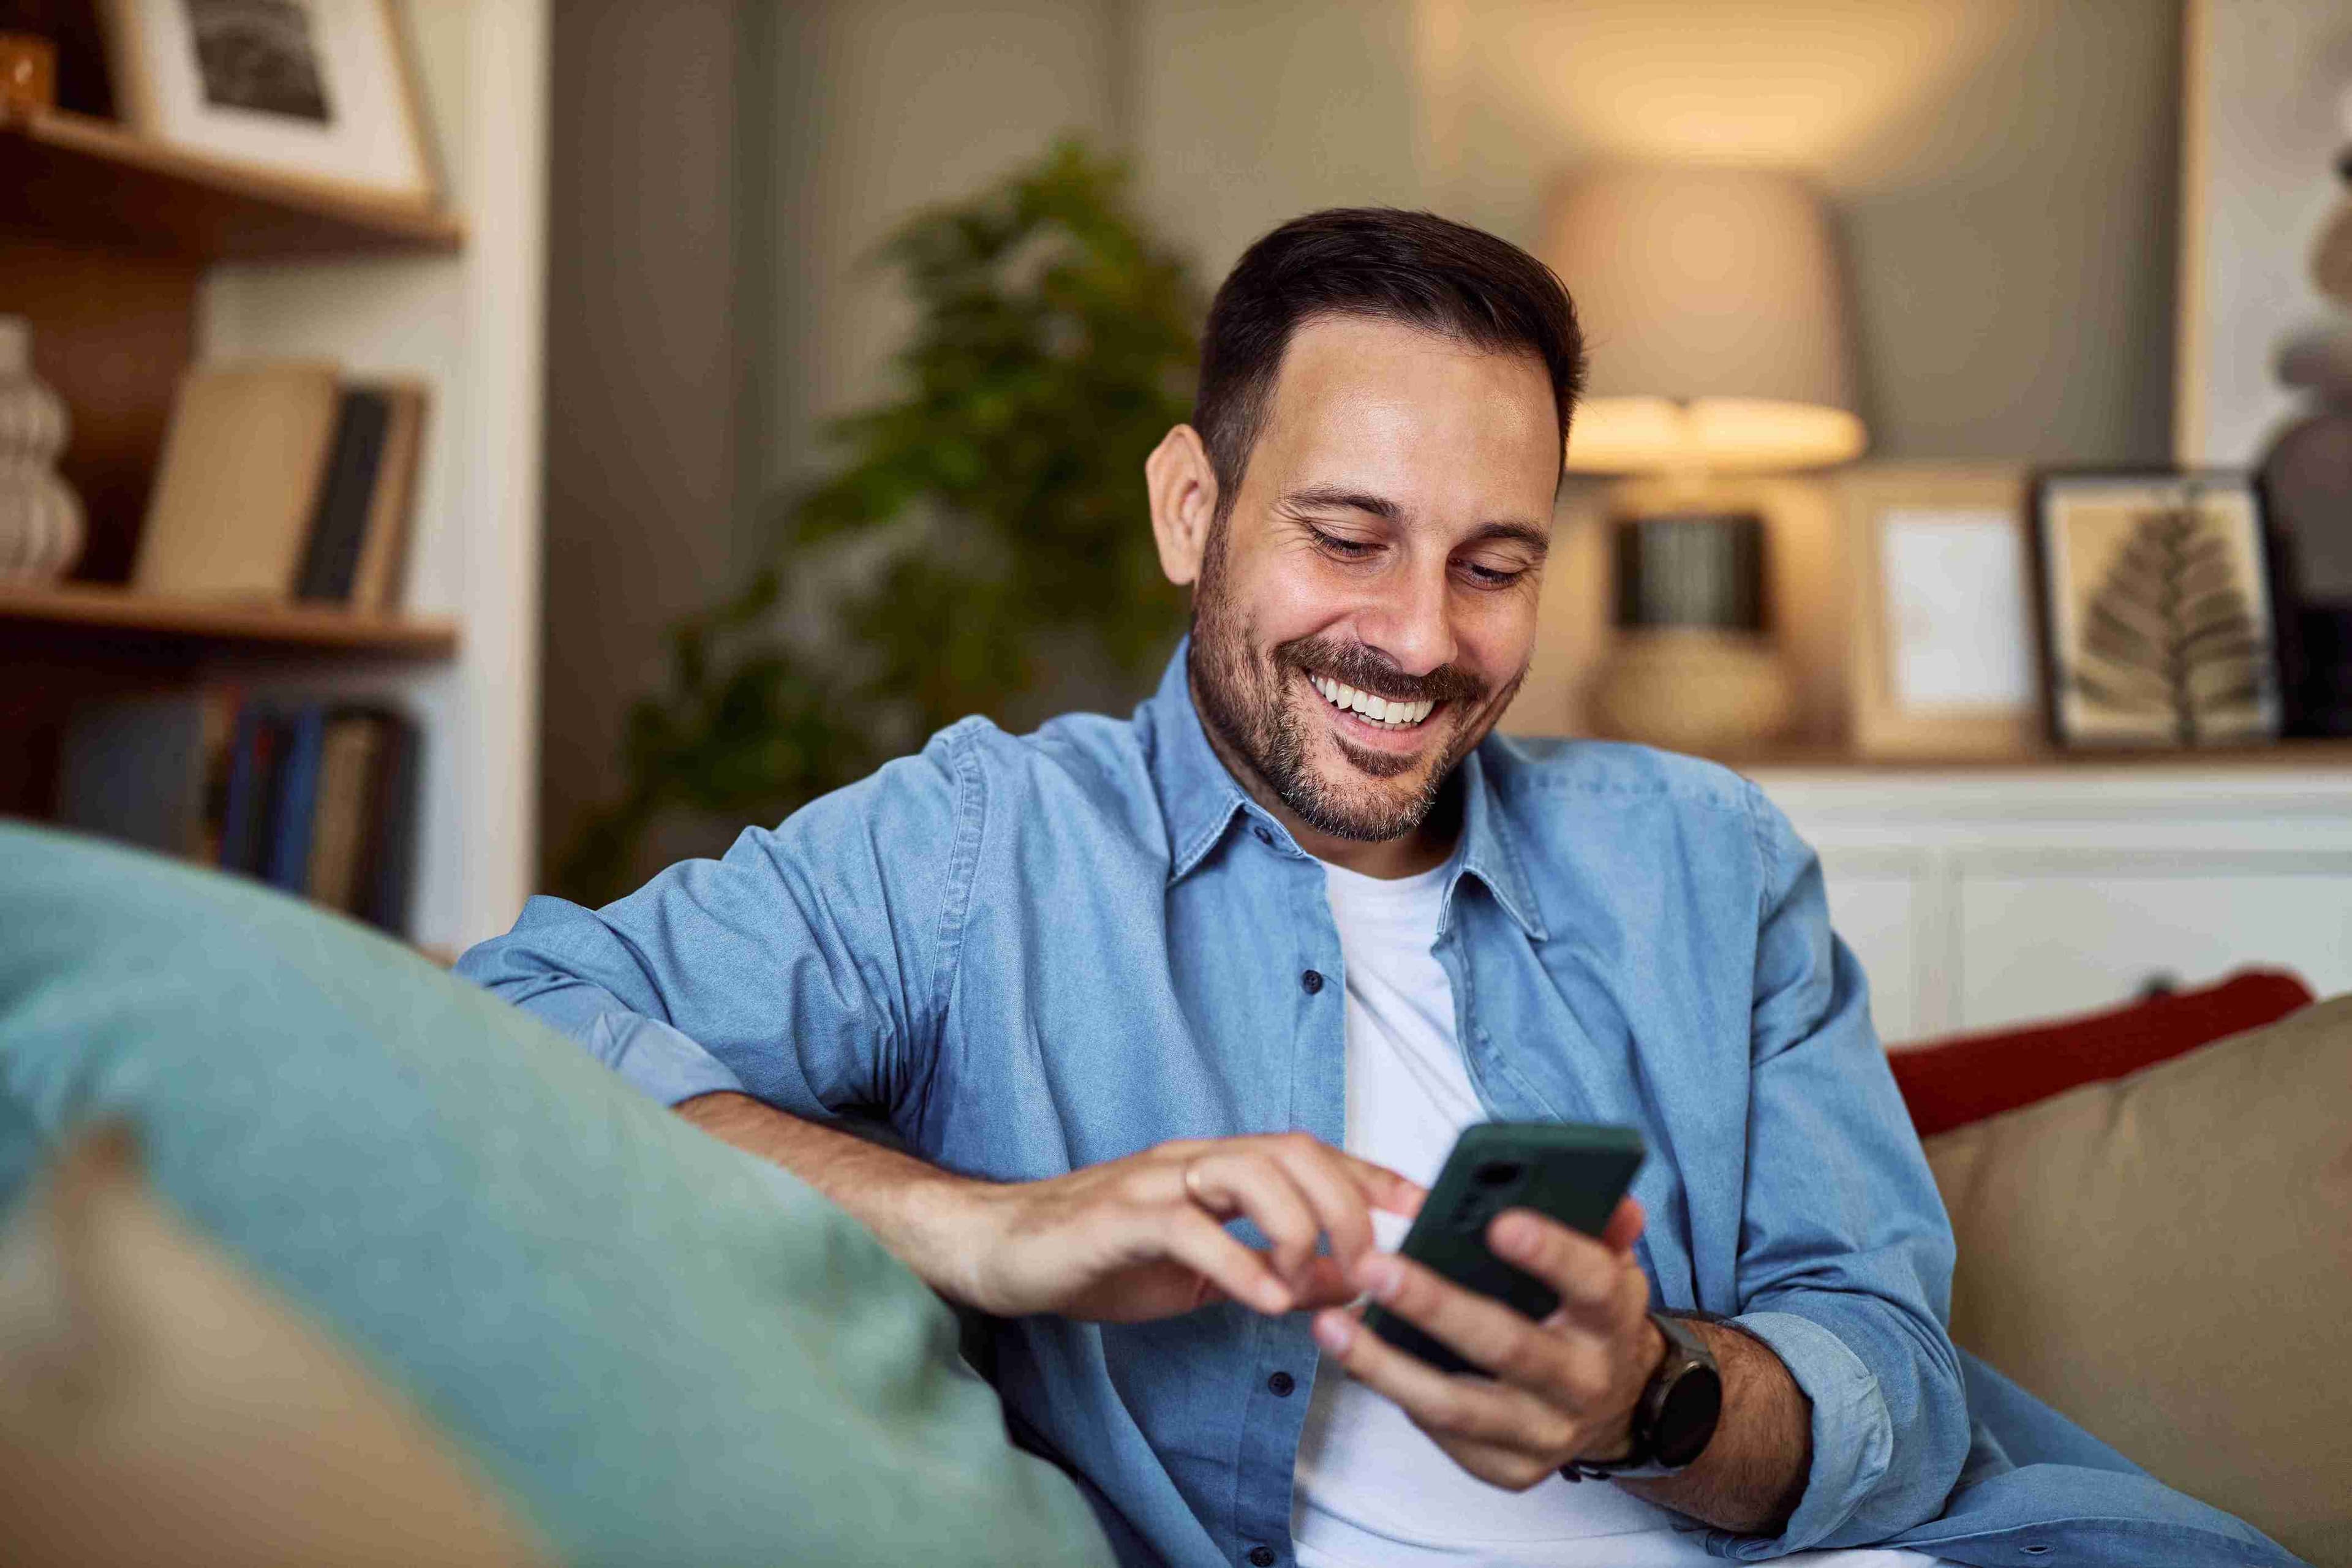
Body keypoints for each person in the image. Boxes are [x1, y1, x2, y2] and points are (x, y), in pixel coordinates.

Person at [457, 211, 2297, 1568]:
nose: (1418, 638)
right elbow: (507, 1025)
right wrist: (992, 1230)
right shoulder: (981, 847)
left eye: (1494, 564)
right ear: (1194, 510)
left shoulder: (1705, 861)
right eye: (1348, 539)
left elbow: (1889, 1378)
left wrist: (1645, 1399)